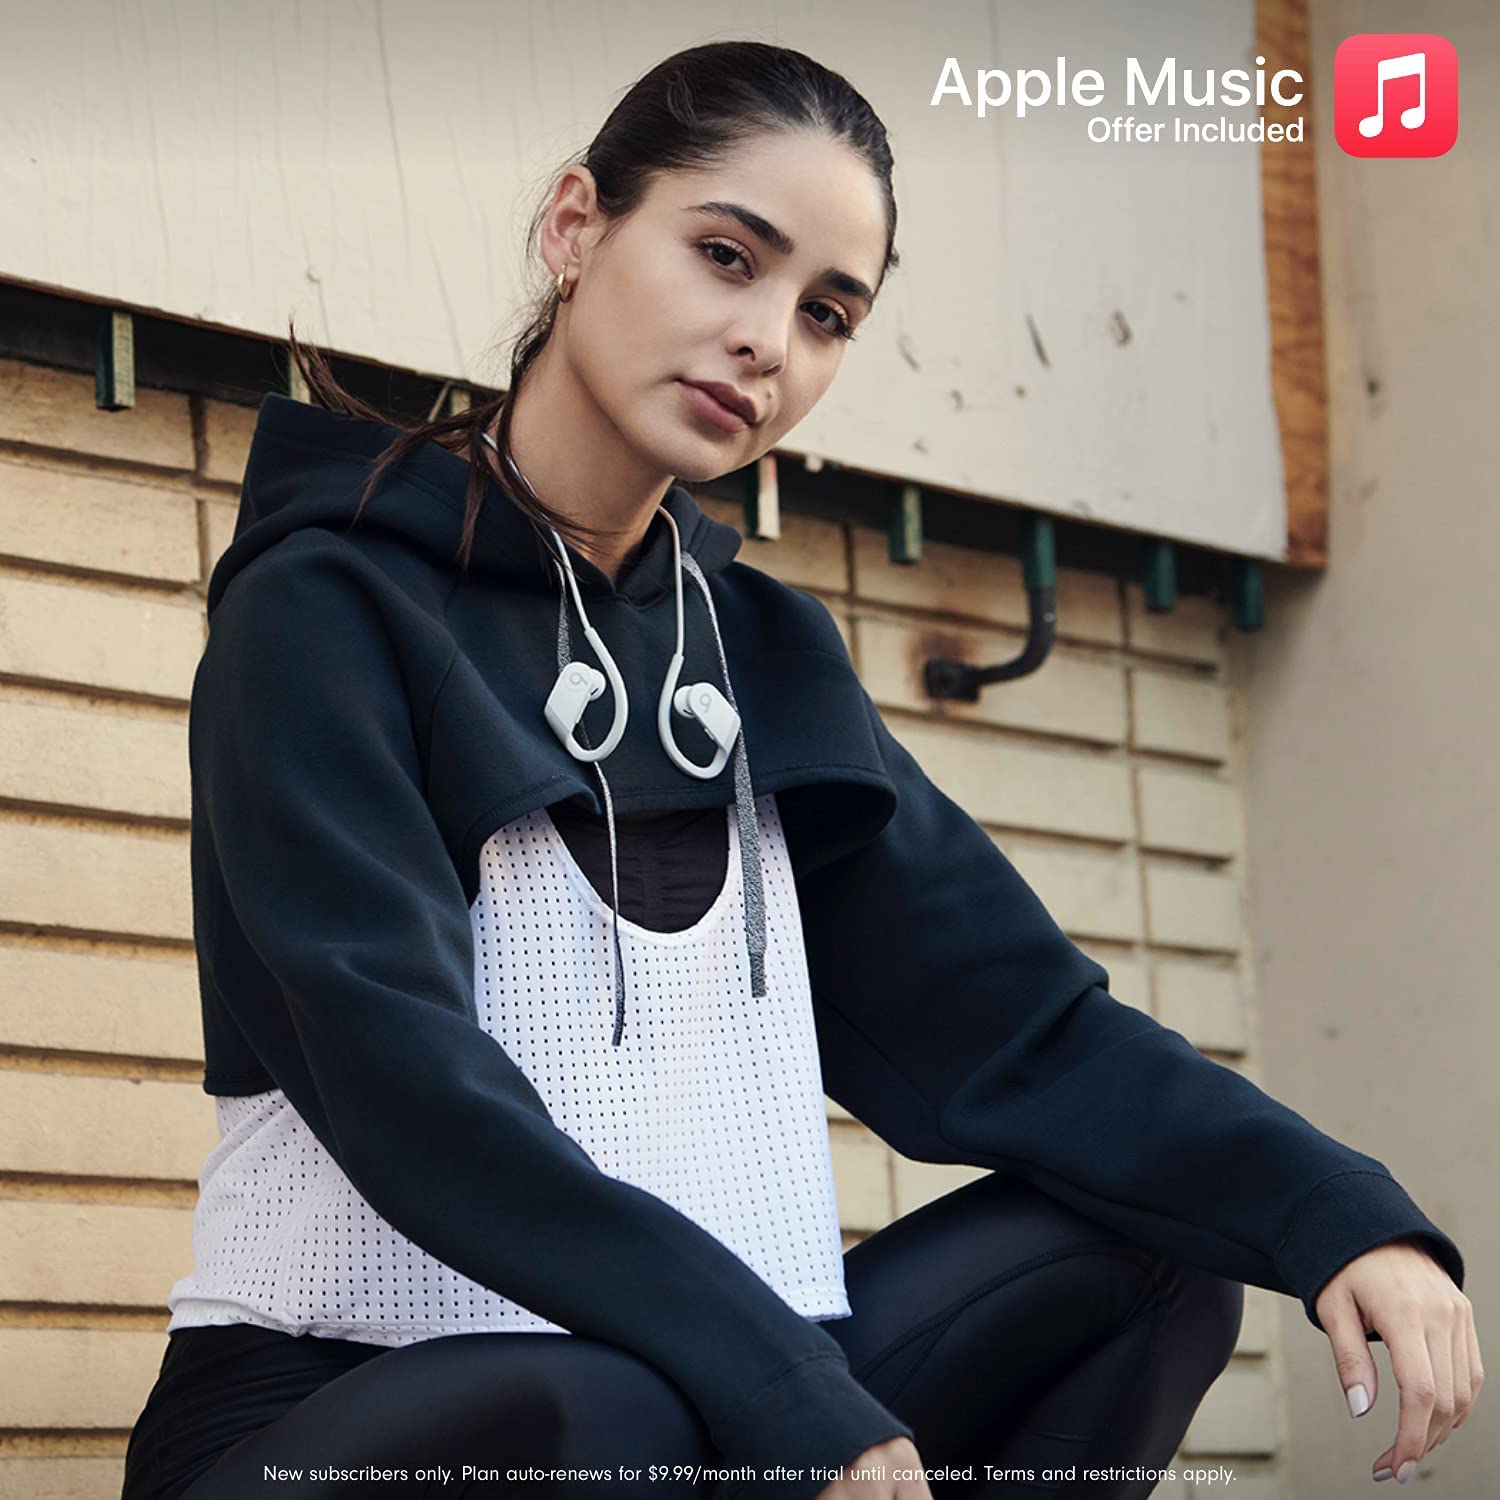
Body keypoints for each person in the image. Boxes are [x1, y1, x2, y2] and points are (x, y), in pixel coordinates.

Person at [120, 39, 1477, 1500]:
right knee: (605, 1406)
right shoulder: (328, 606)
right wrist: (781, 1387)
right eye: (726, 256)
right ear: (575, 227)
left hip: (705, 1405)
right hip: (340, 1409)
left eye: (826, 312)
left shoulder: (764, 654)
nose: (768, 339)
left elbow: (1027, 1029)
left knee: (1157, 1253)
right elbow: (404, 1086)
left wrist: (1341, 1215)